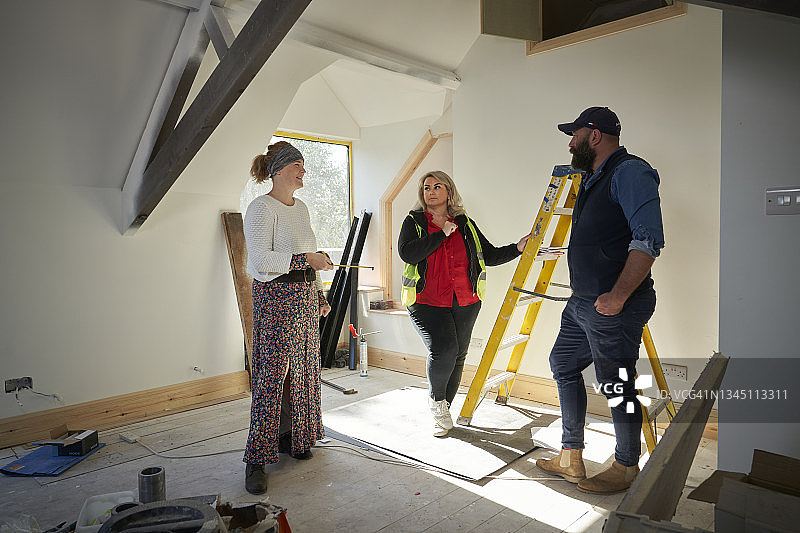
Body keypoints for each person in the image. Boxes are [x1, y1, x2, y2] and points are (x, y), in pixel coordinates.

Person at [535, 107, 664, 494]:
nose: (570, 143)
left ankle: (626, 465)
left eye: (574, 135)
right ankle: (571, 455)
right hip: (583, 302)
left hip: (613, 304)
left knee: (617, 383)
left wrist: (619, 295)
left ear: (594, 135)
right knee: (563, 362)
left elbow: (648, 240)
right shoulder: (593, 178)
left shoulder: (630, 172)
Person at [398, 171, 531, 437]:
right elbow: (408, 252)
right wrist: (441, 235)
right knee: (444, 349)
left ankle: (445, 407)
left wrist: (517, 248)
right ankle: (436, 402)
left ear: (449, 191)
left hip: (465, 300)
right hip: (426, 301)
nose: (431, 191)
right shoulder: (414, 221)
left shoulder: (464, 223)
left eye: (438, 186)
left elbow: (489, 255)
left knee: (458, 354)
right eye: (426, 187)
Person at [241, 140, 333, 495]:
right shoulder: (261, 208)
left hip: (305, 298)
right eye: (299, 166)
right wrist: (304, 261)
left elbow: (311, 252)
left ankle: (294, 438)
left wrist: (320, 294)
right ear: (280, 170)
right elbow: (261, 261)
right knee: (270, 378)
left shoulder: (302, 208)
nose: (304, 171)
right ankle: (256, 459)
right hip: (276, 298)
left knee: (306, 371)